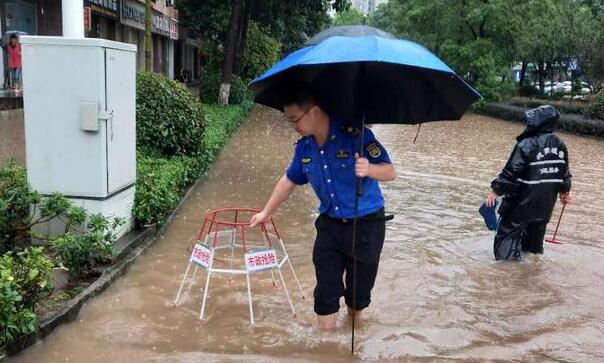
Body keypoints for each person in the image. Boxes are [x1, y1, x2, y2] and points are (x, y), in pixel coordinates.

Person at [249, 86, 396, 330]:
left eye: (295, 119)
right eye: (289, 121)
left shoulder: (356, 136)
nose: (293, 125)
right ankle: (326, 348)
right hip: (329, 227)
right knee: (325, 295)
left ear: (314, 111)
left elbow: (390, 172)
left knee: (358, 299)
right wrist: (265, 212)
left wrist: (369, 169)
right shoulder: (304, 148)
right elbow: (289, 180)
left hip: (366, 226)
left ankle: (354, 331)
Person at [485, 105, 572, 256]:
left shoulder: (527, 144)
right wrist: (565, 191)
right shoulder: (560, 145)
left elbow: (511, 171)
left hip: (519, 207)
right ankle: (530, 276)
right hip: (544, 209)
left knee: (506, 248)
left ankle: (508, 277)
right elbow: (564, 174)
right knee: (532, 251)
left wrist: (495, 191)